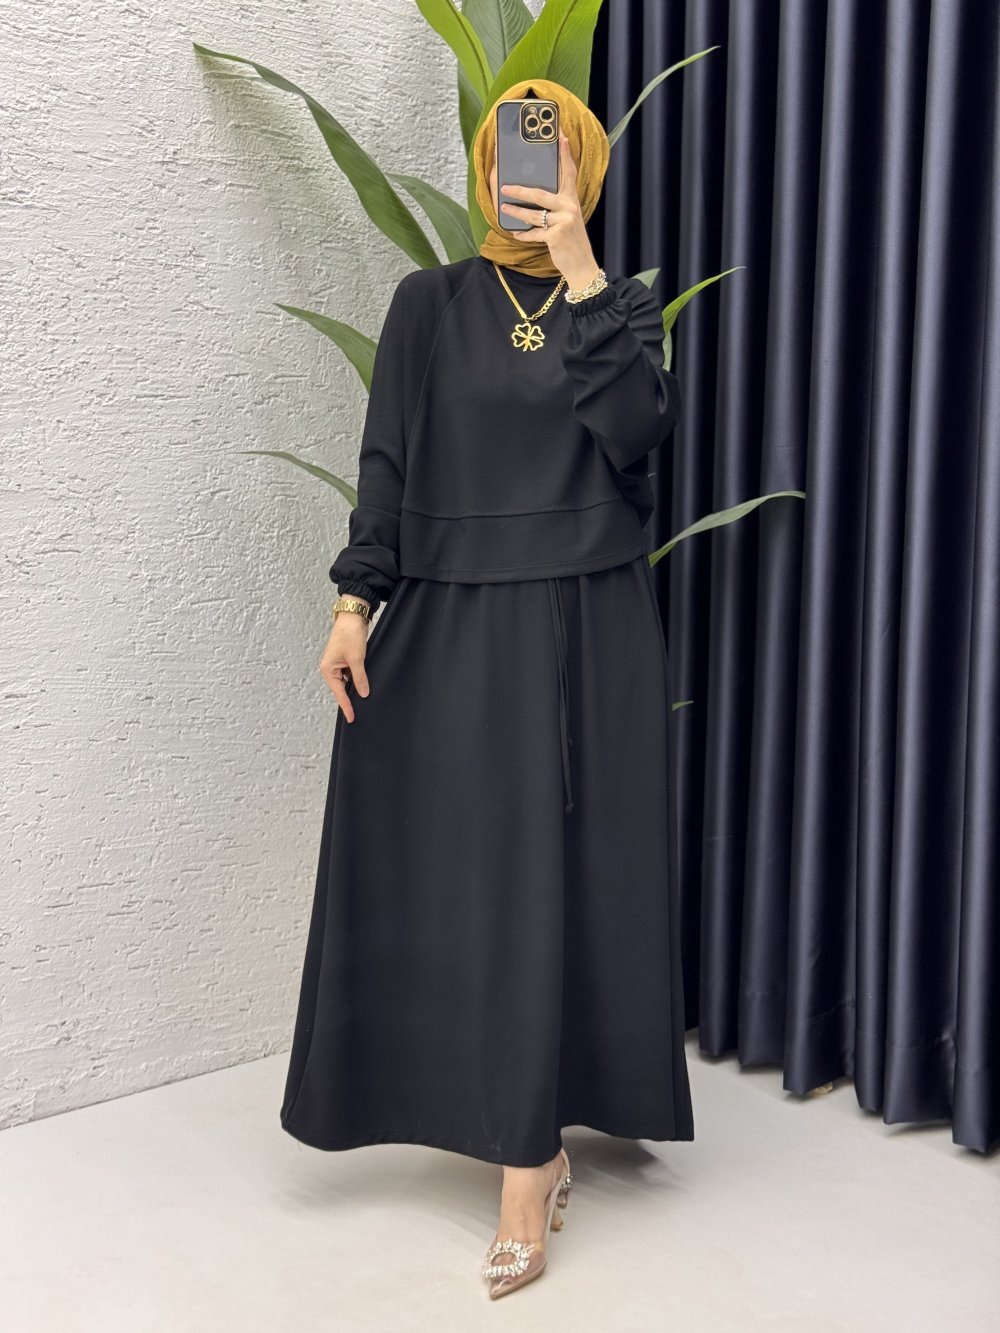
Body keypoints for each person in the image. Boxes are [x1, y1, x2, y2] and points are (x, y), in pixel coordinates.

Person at [279, 76, 694, 1300]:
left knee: (564, 880)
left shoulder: (619, 307)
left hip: (588, 623)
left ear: (584, 170)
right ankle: (502, 1125)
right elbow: (388, 464)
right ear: (484, 165)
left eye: (554, 152)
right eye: (516, 151)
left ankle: (529, 1166)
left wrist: (581, 271)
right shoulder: (430, 303)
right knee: (462, 874)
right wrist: (354, 603)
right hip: (455, 619)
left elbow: (637, 438)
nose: (530, 171)